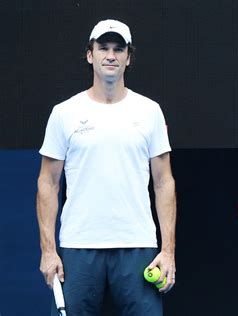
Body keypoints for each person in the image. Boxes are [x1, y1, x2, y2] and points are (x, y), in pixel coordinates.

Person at [36, 19, 176, 315]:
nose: (111, 55)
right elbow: (48, 183)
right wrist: (48, 251)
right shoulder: (64, 113)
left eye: (118, 49)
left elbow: (164, 183)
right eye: (103, 48)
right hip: (78, 246)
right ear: (90, 54)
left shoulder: (149, 111)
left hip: (137, 245)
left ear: (128, 58)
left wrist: (168, 251)